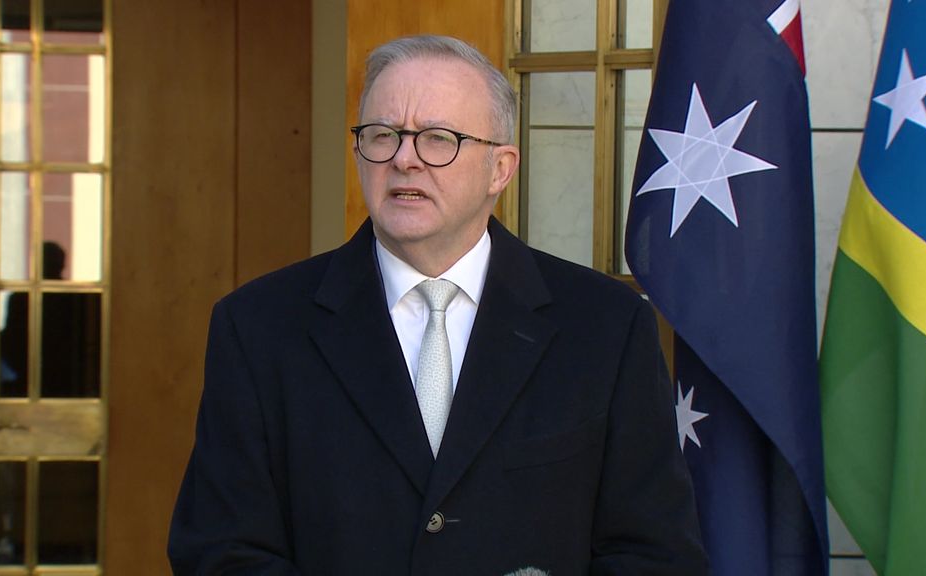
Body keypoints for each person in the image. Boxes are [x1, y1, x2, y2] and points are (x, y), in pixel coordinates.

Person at [168, 35, 708, 575]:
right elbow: (220, 552)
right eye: (382, 135)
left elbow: (653, 554)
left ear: (500, 168)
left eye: (437, 139)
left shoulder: (606, 326)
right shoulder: (259, 326)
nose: (404, 159)